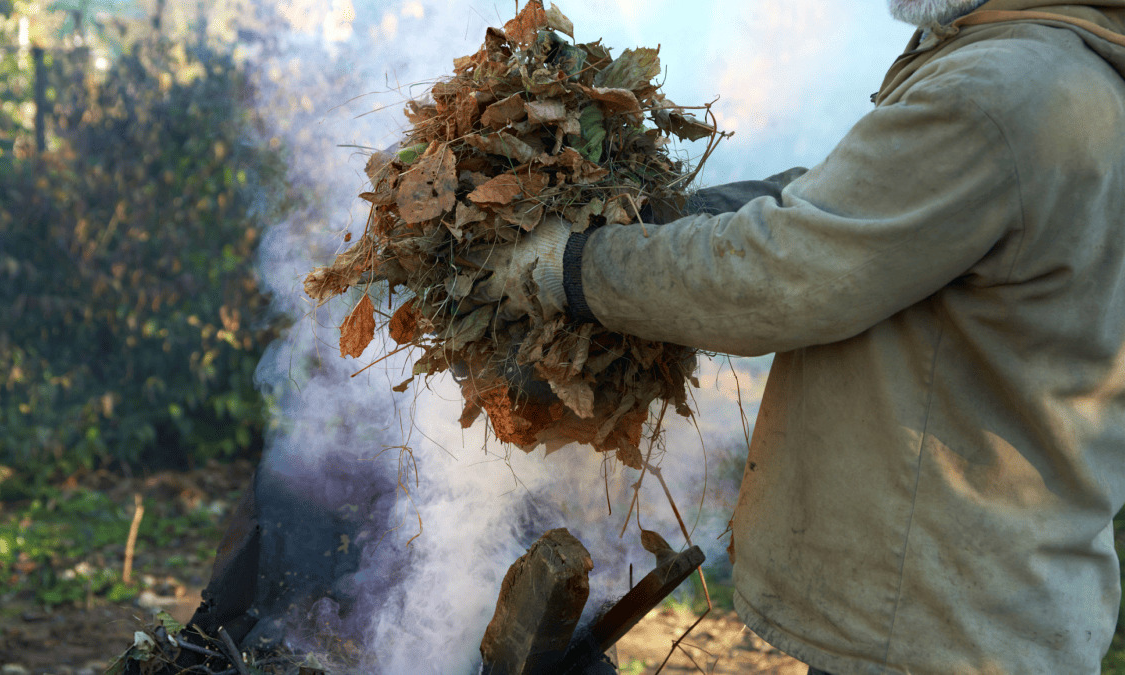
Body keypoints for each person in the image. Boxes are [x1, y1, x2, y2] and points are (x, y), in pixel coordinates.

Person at [479, 0, 1125, 672]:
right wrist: (658, 215)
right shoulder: (1067, 75)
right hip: (987, 605)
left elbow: (787, 269)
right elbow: (845, 198)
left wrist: (570, 267)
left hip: (930, 623)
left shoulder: (1002, 91)